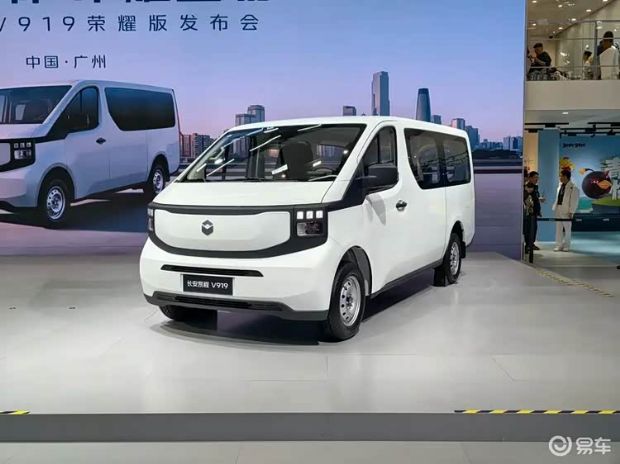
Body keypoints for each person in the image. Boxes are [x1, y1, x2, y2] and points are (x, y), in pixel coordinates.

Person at [552, 170, 580, 252]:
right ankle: (558, 245)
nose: (560, 178)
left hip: (567, 210)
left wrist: (572, 211)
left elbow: (574, 200)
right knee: (558, 228)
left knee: (567, 229)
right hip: (558, 208)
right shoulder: (560, 186)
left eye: (561, 176)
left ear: (565, 176)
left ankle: (567, 245)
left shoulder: (573, 187)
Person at [524, 171, 544, 251]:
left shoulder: (535, 188)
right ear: (530, 178)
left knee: (534, 229)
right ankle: (528, 245)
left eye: (537, 178)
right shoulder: (527, 187)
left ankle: (531, 244)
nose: (537, 179)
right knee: (529, 229)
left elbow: (536, 200)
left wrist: (539, 210)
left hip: (534, 212)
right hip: (529, 212)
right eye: (535, 177)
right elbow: (527, 199)